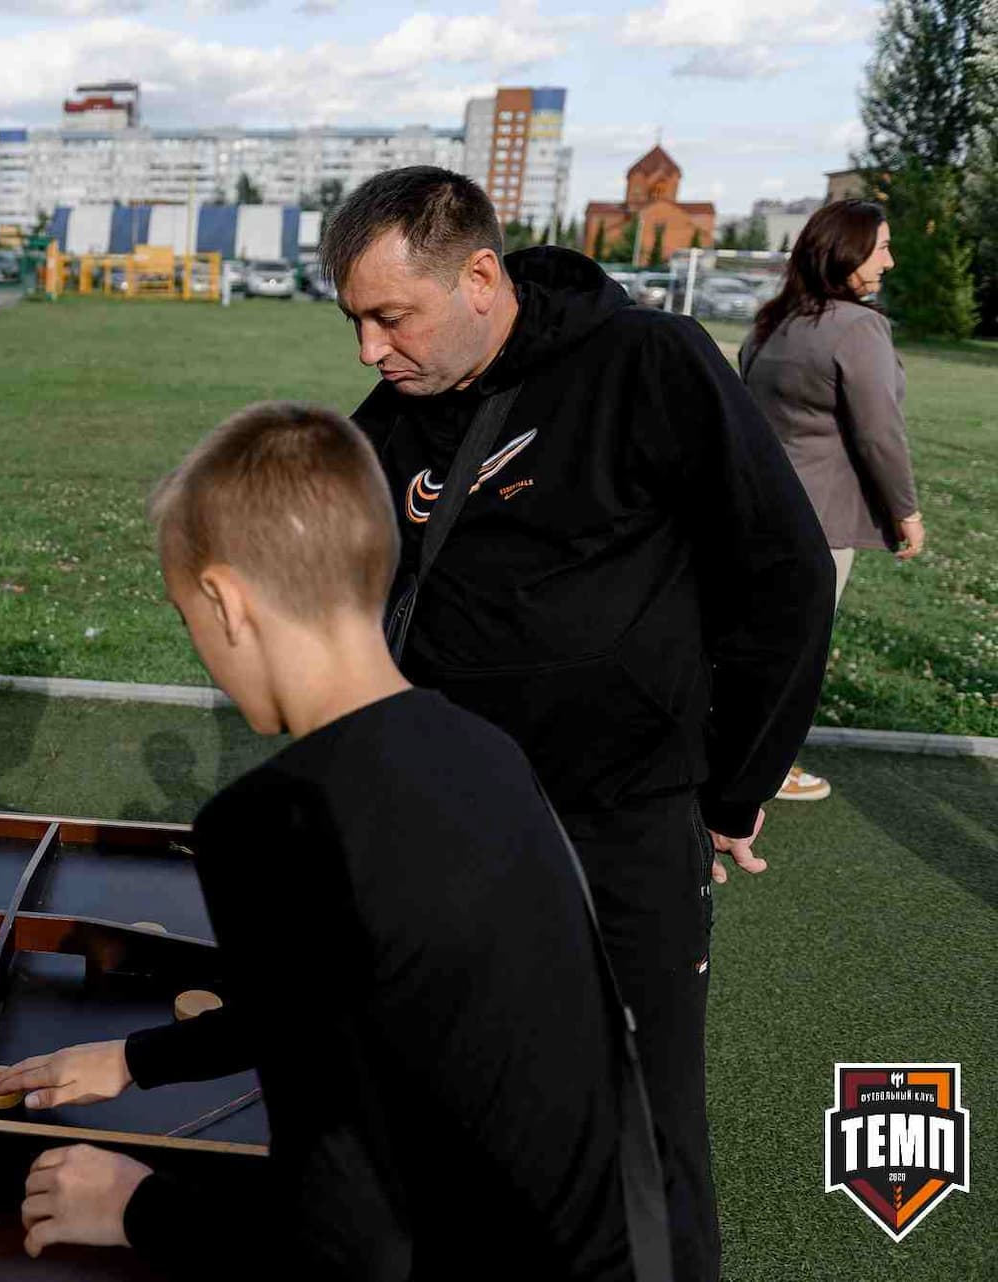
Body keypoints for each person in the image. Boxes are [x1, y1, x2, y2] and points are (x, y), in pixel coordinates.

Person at [322, 167, 834, 1282]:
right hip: (457, 832)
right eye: (354, 320)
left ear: (481, 277)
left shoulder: (649, 364)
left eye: (389, 315)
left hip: (625, 824)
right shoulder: (383, 426)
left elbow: (784, 579)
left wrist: (732, 789)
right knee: (456, 1099)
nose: (370, 348)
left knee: (649, 1133)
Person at [4, 403, 655, 1277]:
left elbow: (351, 1246)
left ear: (226, 601)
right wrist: (137, 1059)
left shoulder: (277, 824)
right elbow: (362, 991)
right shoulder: (481, 747)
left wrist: (137, 1206)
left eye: (183, 613)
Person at [740, 200, 922, 803]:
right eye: (882, 248)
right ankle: (769, 766)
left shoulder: (774, 321)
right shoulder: (858, 326)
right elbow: (879, 431)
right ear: (846, 253)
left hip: (756, 511)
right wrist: (906, 510)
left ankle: (732, 753)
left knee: (751, 642)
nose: (889, 262)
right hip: (819, 522)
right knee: (797, 653)